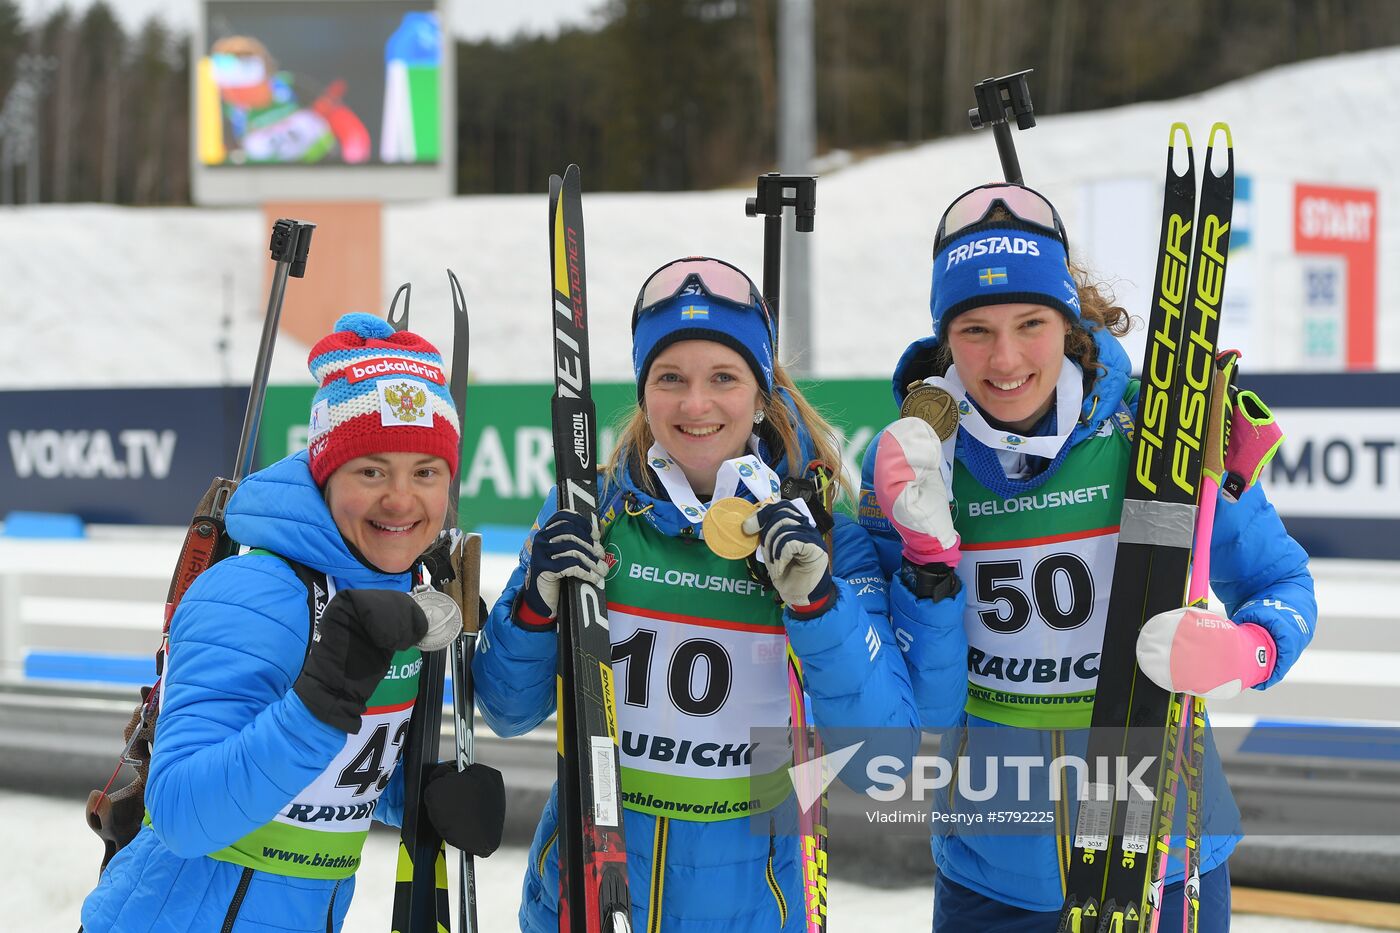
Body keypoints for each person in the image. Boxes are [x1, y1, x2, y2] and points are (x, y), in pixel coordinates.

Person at [857, 184, 1317, 932]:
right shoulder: (918, 462)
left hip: (1161, 857)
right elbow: (916, 701)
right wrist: (924, 561)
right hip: (994, 875)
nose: (1004, 359)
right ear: (946, 337)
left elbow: (1282, 582)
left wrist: (1246, 650)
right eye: (975, 330)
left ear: (1066, 322)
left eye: (1030, 323)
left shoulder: (1155, 433)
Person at [473, 256, 920, 931]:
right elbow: (507, 711)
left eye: (724, 378)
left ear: (762, 393)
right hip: (587, 898)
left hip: (751, 907)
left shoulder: (826, 535)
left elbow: (882, 757)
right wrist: (535, 605)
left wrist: (817, 604)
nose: (694, 404)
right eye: (670, 378)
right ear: (645, 389)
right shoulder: (591, 511)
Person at [80, 313, 504, 932]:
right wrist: (316, 707)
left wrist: (418, 796)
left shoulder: (406, 593)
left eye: (425, 472)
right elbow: (179, 814)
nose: (401, 499)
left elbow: (329, 780)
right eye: (372, 470)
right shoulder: (251, 592)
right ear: (326, 471)